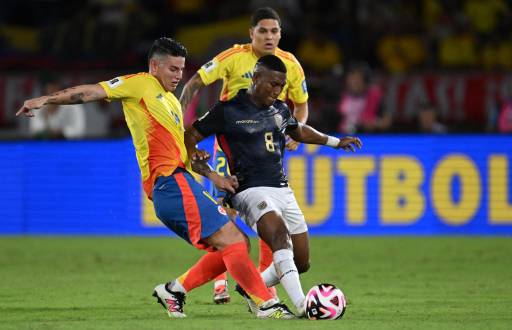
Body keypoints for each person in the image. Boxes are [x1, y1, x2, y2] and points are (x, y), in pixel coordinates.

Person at [16, 37, 294, 319]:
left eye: (181, 69)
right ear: (154, 65)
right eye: (172, 69)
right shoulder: (139, 84)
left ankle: (175, 290)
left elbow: (181, 152)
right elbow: (89, 93)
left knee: (237, 243)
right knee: (233, 240)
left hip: (181, 180)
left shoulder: (172, 102)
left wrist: (212, 174)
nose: (178, 76)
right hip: (169, 183)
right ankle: (265, 304)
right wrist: (46, 99)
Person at [184, 55, 362, 316]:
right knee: (279, 236)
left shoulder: (280, 109)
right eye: (273, 84)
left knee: (301, 262)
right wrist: (197, 157)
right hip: (247, 190)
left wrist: (336, 142)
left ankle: (253, 286)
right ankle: (302, 306)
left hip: (281, 188)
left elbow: (298, 130)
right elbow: (191, 135)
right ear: (255, 79)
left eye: (281, 86)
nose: (278, 91)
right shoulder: (227, 110)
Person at [180, 6, 309, 304]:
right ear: (251, 33)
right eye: (262, 31)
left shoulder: (289, 64)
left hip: (266, 148)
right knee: (225, 213)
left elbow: (301, 103)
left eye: (274, 31)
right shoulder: (233, 56)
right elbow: (197, 81)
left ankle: (264, 280)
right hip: (230, 146)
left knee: (270, 217)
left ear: (280, 33)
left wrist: (297, 133)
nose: (268, 36)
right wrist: (179, 117)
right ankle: (221, 281)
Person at [337, 62, 390, 134]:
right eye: (351, 78)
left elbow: (386, 122)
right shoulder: (341, 95)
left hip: (368, 137)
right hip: (341, 137)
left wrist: (374, 124)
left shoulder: (375, 95)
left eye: (357, 79)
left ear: (366, 81)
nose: (353, 82)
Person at [28, 74, 86, 139]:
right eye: (49, 90)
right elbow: (34, 131)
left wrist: (61, 132)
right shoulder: (38, 107)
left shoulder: (74, 106)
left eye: (55, 89)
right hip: (46, 146)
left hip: (69, 145)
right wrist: (46, 119)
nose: (53, 94)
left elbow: (79, 130)